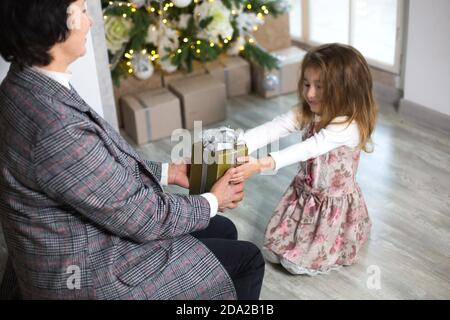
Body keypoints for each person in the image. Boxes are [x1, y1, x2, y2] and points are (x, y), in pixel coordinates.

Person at [0, 0, 264, 299]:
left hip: (73, 240)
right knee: (247, 260)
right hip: (85, 273)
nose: (91, 22)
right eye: (82, 12)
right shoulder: (55, 126)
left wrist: (170, 172)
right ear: (52, 26)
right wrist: (214, 199)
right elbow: (144, 218)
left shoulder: (25, 82)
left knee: (221, 229)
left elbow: (96, 170)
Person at [231, 43, 377, 275]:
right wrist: (237, 146)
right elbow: (277, 126)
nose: (310, 93)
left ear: (346, 88)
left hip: (331, 200)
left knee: (295, 265)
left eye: (320, 86)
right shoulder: (311, 109)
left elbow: (310, 148)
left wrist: (262, 164)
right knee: (272, 251)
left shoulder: (349, 125)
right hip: (307, 190)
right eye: (307, 84)